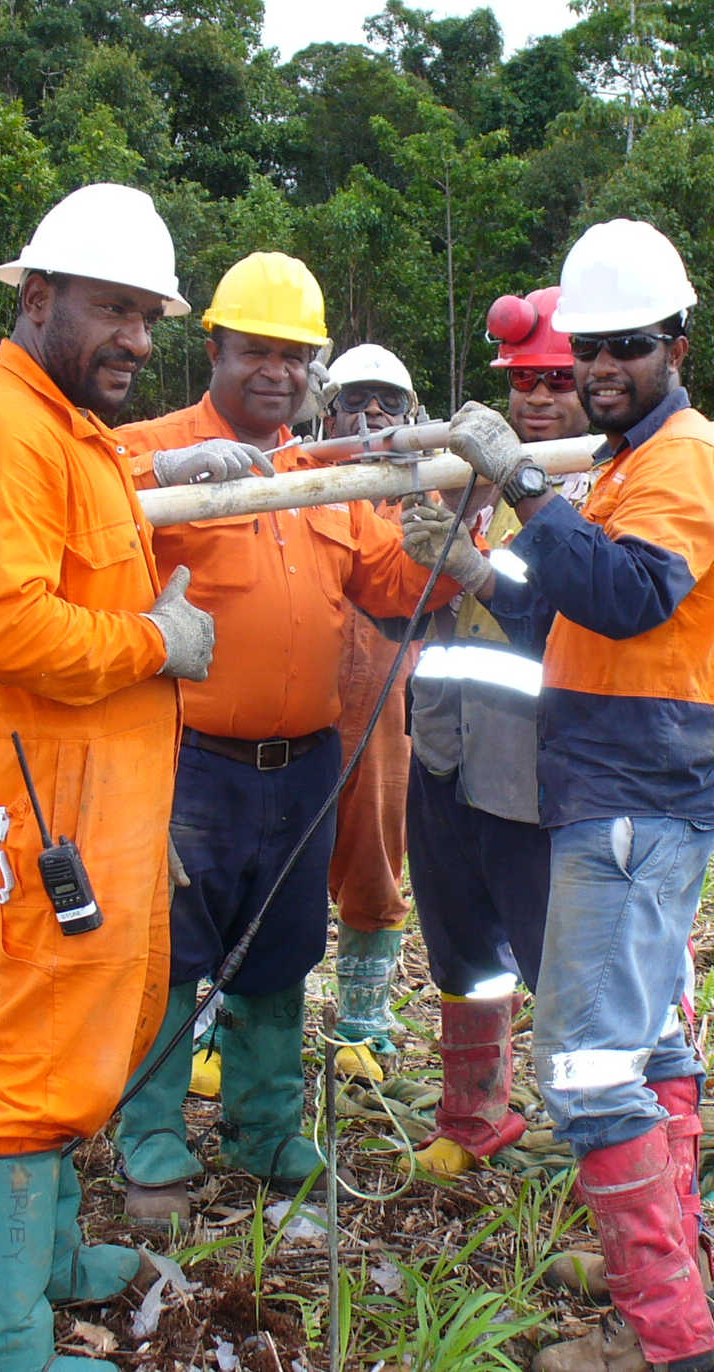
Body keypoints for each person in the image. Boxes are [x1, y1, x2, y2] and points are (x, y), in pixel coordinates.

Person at [402, 221, 714, 1372]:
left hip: (634, 793)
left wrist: (517, 479)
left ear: (677, 348)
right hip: (619, 782)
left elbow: (626, 596)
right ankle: (663, 1260)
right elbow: (559, 613)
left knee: (591, 1066)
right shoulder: (624, 467)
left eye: (626, 348)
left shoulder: (683, 462)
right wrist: (476, 568)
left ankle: (663, 1339)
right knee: (643, 1041)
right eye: (589, 349)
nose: (602, 369)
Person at [104, 253, 507, 1232]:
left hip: (304, 763)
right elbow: (77, 495)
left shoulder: (321, 475)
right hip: (190, 761)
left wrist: (458, 529)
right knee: (171, 955)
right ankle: (152, 1144)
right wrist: (165, 476)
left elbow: (389, 584)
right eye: (256, 350)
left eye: (293, 357)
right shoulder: (150, 448)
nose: (275, 372)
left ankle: (267, 1132)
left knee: (281, 954)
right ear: (214, 349)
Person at [0, 182, 234, 1372]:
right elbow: (1, 629)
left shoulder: (80, 437)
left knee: (88, 1042)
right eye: (114, 309)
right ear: (39, 297)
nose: (138, 340)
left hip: (106, 795)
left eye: (149, 318)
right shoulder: (1, 428)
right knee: (39, 1057)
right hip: (43, 796)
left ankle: (44, 1260)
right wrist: (154, 642)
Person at [398, 289, 592, 1184]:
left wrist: (475, 566)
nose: (537, 399)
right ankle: (473, 1113)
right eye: (523, 382)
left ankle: (605, 1138)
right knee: (464, 948)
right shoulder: (474, 479)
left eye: (556, 380)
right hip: (447, 752)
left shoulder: (590, 491)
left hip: (541, 771)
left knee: (568, 964)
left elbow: (577, 618)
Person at [311, 342, 428, 1069]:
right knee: (265, 865)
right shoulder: (300, 480)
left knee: (376, 864)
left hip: (389, 718)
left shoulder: (434, 489)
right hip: (299, 709)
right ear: (328, 413)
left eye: (389, 401)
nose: (373, 413)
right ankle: (231, 1023)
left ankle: (363, 1023)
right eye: (355, 399)